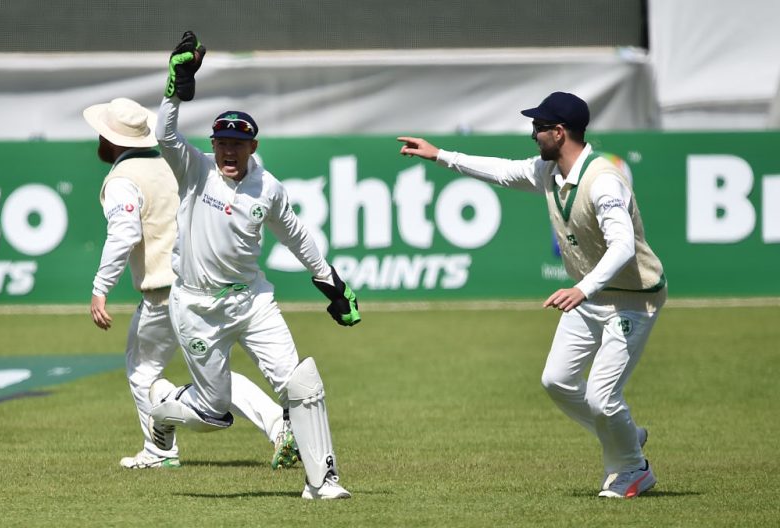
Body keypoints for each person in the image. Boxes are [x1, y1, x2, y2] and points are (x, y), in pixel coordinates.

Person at [398, 91, 665, 499]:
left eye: (539, 127)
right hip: (590, 296)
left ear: (559, 133)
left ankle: (632, 470)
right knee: (556, 380)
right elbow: (503, 172)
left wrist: (582, 287)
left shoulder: (603, 180)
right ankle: (626, 436)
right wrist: (440, 155)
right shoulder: (548, 172)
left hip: (632, 298)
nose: (533, 133)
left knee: (601, 395)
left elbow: (623, 246)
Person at [148, 32, 361, 500]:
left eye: (236, 144)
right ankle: (162, 410)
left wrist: (332, 284)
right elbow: (163, 134)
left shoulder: (269, 189)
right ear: (213, 144)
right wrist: (174, 90)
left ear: (252, 146)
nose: (227, 151)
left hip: (250, 301)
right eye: (221, 142)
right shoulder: (195, 169)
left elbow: (298, 237)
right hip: (196, 306)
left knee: (301, 382)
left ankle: (322, 481)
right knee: (213, 412)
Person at [83, 97, 301, 470]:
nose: (98, 140)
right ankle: (279, 427)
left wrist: (101, 287)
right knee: (213, 376)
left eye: (101, 133)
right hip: (210, 286)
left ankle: (159, 451)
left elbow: (124, 234)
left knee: (143, 372)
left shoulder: (122, 179)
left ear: (113, 140)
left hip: (167, 292)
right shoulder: (178, 163)